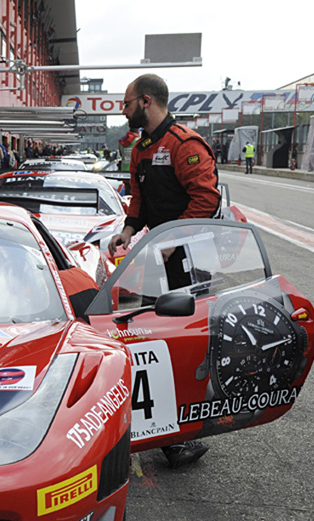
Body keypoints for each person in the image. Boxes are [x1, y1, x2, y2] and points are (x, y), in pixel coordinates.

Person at [108, 73, 221, 468]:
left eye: (125, 104)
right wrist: (127, 230)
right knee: (149, 342)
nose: (123, 112)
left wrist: (175, 239)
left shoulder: (185, 145)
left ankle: (185, 431)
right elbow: (138, 199)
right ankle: (160, 427)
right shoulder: (141, 149)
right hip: (153, 259)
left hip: (188, 260)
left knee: (186, 345)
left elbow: (206, 198)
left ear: (146, 101)